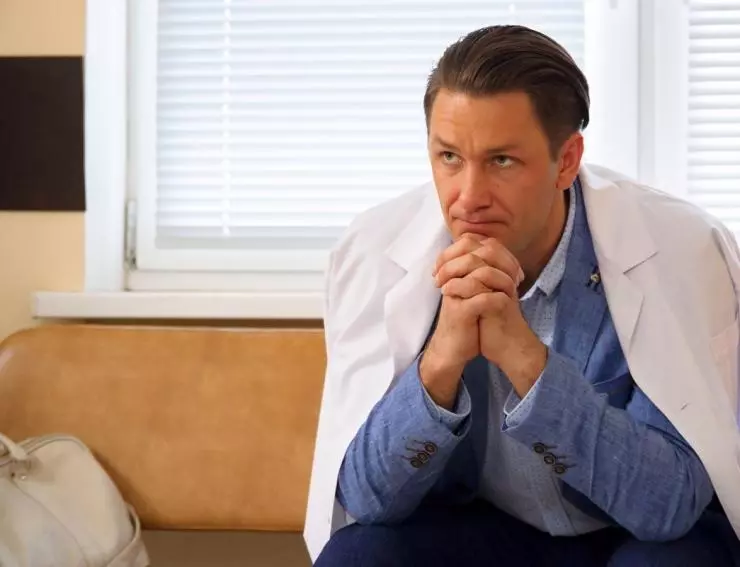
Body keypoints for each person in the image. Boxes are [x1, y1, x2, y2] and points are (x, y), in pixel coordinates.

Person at [303, 25, 740, 566]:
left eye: (502, 161)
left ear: (567, 160)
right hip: (481, 527)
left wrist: (525, 358)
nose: (468, 198)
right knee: (357, 555)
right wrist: (439, 362)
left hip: (633, 535)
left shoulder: (679, 248)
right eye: (449, 157)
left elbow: (668, 506)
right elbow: (365, 499)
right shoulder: (372, 251)